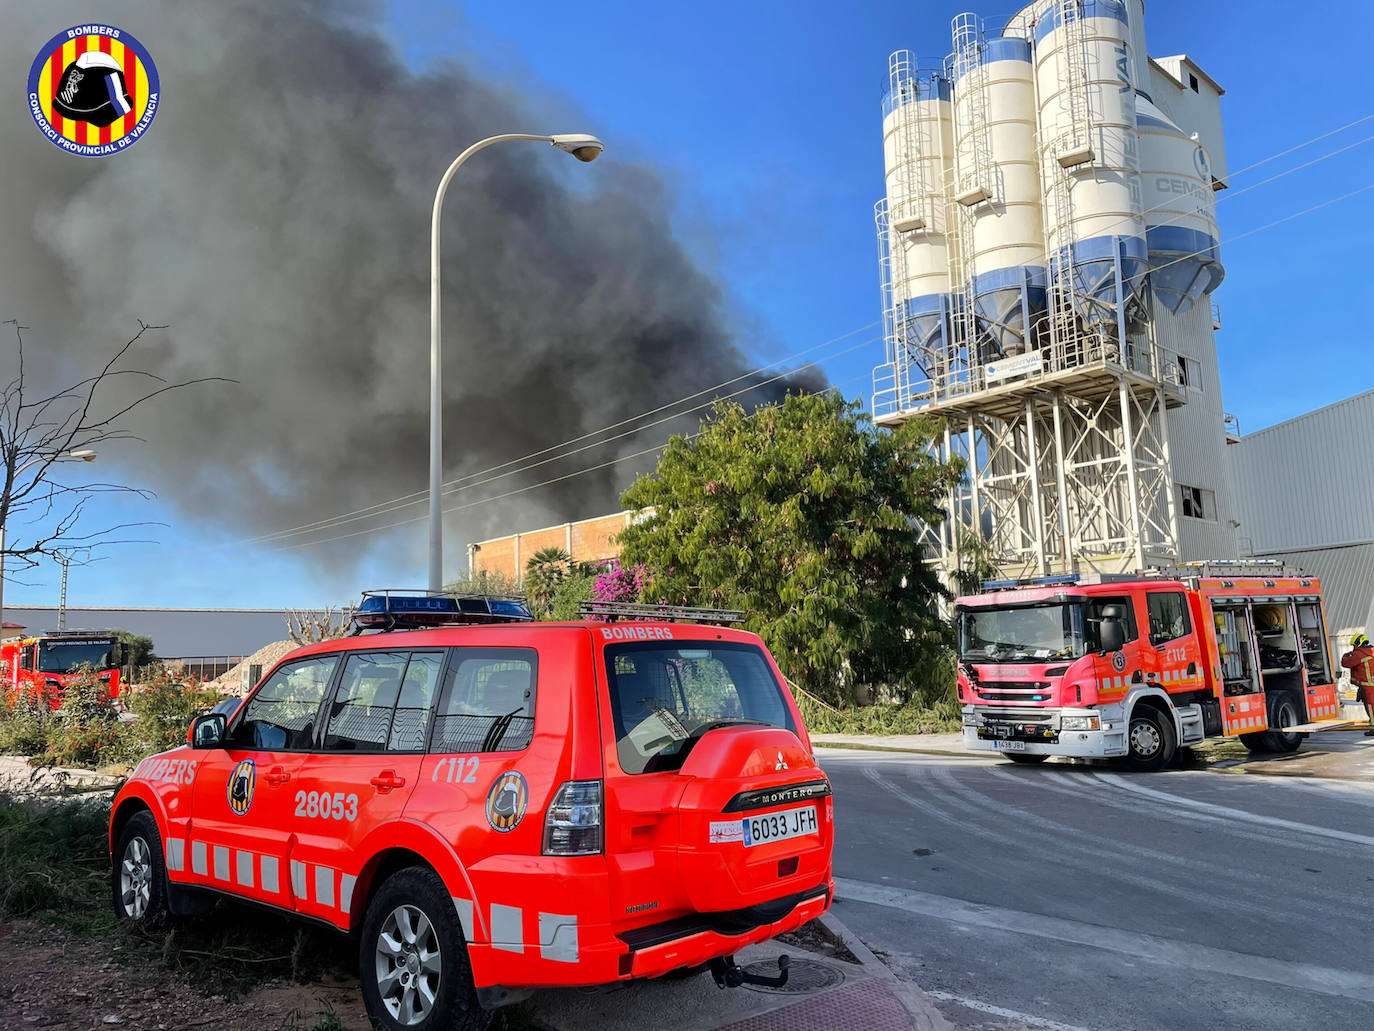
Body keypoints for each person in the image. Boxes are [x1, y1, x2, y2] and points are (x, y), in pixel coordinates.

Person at [1340, 633, 1374, 736]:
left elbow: (1345, 663)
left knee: (1371, 708)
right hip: (1368, 685)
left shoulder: (1359, 654)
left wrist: (1346, 655)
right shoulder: (1371, 651)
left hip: (1368, 687)